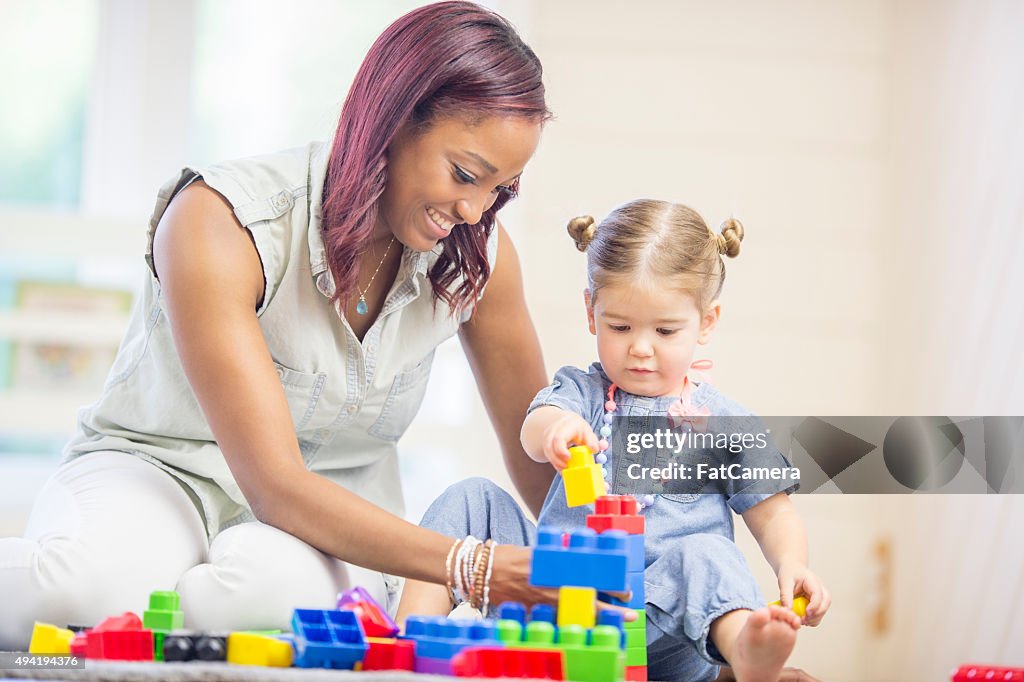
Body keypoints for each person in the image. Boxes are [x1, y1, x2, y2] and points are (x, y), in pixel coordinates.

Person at [0, 1, 561, 650]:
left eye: (501, 190)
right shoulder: (222, 219)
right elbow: (274, 485)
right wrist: (469, 563)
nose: (474, 208)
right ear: (391, 119)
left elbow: (541, 461)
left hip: (336, 511)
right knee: (82, 594)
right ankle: (129, 584)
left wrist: (654, 545)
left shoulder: (476, 257)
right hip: (162, 472)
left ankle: (156, 612)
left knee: (270, 603)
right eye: (465, 174)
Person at [398, 201, 831, 682]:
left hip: (660, 627)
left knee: (709, 554)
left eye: (666, 331)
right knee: (471, 498)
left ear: (706, 322)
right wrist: (556, 430)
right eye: (619, 326)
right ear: (591, 312)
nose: (640, 348)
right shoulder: (581, 392)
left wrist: (793, 563)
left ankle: (744, 651)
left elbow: (773, 512)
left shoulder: (724, 423)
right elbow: (534, 426)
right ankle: (410, 639)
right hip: (558, 602)